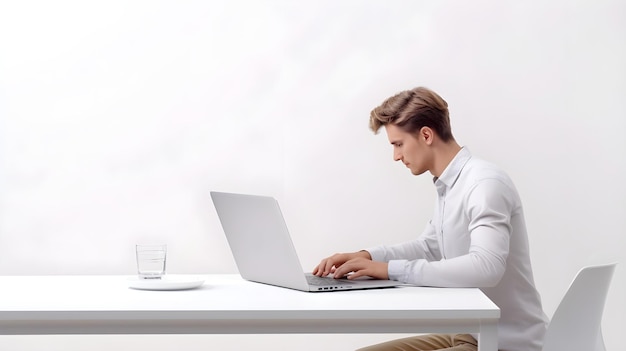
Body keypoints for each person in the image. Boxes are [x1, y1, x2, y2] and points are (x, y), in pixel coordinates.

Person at [313, 87, 548, 351]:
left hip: (506, 343)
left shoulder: (484, 183)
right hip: (471, 333)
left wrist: (390, 270)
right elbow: (430, 247)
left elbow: (487, 267)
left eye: (398, 144)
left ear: (426, 135)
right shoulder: (449, 186)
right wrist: (368, 256)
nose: (396, 156)